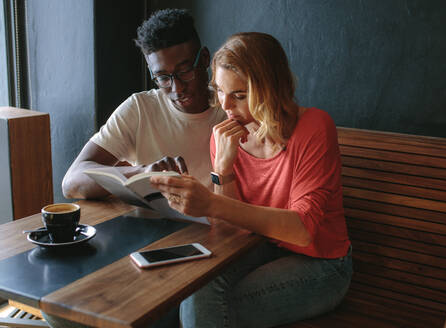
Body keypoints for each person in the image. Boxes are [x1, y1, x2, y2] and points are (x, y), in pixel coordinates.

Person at [151, 32, 353, 327]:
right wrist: (223, 168)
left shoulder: (314, 127)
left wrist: (210, 202)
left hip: (322, 263)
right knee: (191, 289)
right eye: (220, 91)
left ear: (271, 88)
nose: (226, 106)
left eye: (240, 95)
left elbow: (302, 230)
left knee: (203, 306)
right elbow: (231, 232)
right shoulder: (225, 138)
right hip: (259, 248)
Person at [61, 8, 225, 200]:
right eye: (163, 77)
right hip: (153, 228)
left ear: (205, 58)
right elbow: (71, 182)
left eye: (185, 70)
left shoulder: (231, 108)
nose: (177, 87)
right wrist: (143, 173)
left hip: (213, 227)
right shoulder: (140, 109)